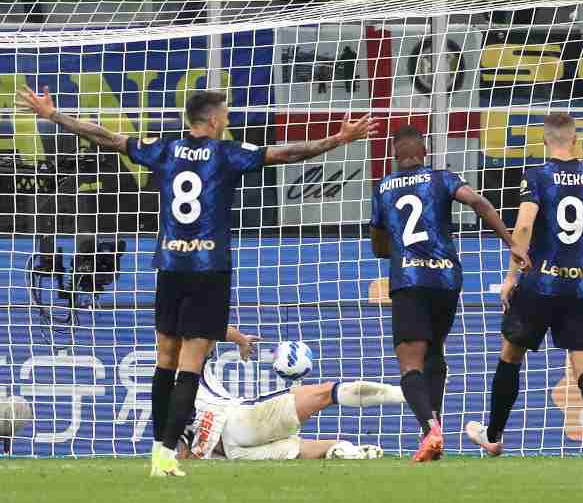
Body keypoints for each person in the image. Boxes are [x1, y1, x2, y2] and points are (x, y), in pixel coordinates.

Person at [15, 87, 379, 477]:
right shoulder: (226, 154)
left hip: (170, 266)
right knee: (191, 365)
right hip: (208, 270)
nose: (229, 119)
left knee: (165, 360)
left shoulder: (165, 149)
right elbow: (287, 154)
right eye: (225, 114)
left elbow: (107, 137)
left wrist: (53, 115)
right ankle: (167, 456)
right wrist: (339, 139)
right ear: (211, 119)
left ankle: (159, 448)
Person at [369, 125, 531, 462]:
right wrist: (511, 243)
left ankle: (430, 429)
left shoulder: (383, 187)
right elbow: (479, 203)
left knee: (410, 363)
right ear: (425, 153)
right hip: (446, 280)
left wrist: (393, 245)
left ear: (395, 156)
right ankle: (434, 429)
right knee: (434, 354)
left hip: (410, 279)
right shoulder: (442, 179)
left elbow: (379, 245)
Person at [464, 113, 583, 459]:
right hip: (579, 286)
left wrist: (510, 277)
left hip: (539, 285)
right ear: (575, 139)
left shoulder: (537, 176)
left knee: (511, 355)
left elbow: (523, 228)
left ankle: (493, 435)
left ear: (546, 141)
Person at [177, 357, 403, 461]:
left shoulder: (166, 398)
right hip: (235, 422)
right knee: (326, 393)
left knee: (303, 449)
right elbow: (207, 328)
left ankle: (346, 450)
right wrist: (239, 339)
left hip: (228, 454)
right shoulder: (188, 361)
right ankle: (405, 395)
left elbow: (184, 454)